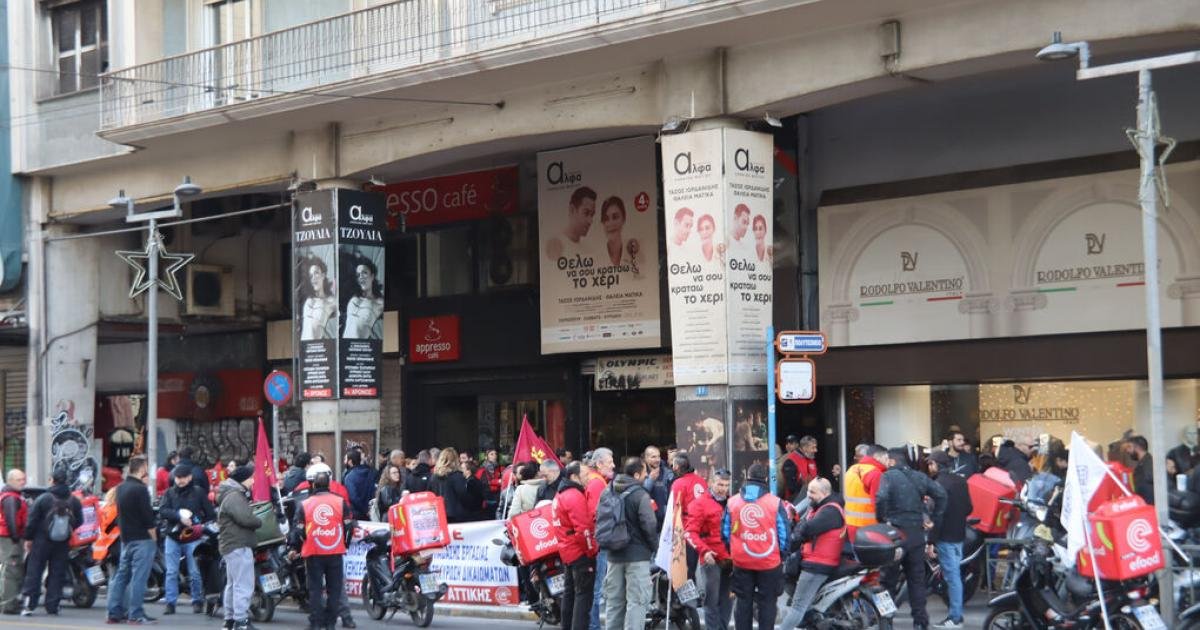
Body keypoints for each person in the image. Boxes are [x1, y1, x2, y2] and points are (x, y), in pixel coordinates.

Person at [876, 448, 947, 630]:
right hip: (916, 534)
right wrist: (934, 517)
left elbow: (881, 498)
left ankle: (885, 621)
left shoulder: (888, 476)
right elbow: (941, 494)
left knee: (886, 581)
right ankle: (920, 622)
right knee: (916, 580)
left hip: (895, 534)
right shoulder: (920, 476)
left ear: (891, 461)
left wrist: (882, 519)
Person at [722, 464, 790, 630]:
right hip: (769, 562)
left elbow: (725, 532)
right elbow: (784, 533)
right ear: (766, 479)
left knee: (743, 601)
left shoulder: (732, 502)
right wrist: (781, 555)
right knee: (768, 603)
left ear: (747, 477)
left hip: (742, 560)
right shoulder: (775, 503)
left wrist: (733, 550)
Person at [290, 463, 354, 630]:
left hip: (313, 552)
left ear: (313, 485)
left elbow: (298, 530)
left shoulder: (305, 504)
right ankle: (330, 623)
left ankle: (316, 623)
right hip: (335, 551)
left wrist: (299, 544)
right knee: (335, 590)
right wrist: (345, 544)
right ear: (329, 483)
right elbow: (349, 526)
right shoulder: (340, 502)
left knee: (315, 590)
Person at [779, 478, 845, 628]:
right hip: (816, 560)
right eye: (808, 490)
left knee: (797, 607)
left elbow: (806, 529)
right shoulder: (820, 507)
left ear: (825, 493)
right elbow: (803, 525)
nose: (808, 495)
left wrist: (795, 536)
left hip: (817, 565)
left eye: (813, 492)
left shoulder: (830, 511)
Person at [601, 457, 657, 630]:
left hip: (613, 556)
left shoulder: (608, 491)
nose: (646, 476)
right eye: (645, 472)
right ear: (636, 475)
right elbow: (649, 524)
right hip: (637, 557)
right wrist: (654, 547)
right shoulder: (640, 495)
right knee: (637, 601)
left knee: (614, 602)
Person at [20, 465, 81, 616]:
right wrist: (67, 529)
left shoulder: (43, 498)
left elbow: (32, 521)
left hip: (41, 540)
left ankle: (30, 604)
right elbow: (80, 520)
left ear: (52, 480)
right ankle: (53, 605)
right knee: (57, 573)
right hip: (63, 542)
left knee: (35, 571)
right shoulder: (73, 500)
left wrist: (28, 538)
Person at [106, 456, 159, 625]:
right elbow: (147, 518)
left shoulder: (120, 488)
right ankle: (135, 614)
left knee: (121, 576)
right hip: (142, 539)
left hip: (126, 538)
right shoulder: (140, 490)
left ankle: (114, 612)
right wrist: (154, 538)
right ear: (142, 468)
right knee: (139, 577)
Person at [159, 465, 217, 615]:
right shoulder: (169, 493)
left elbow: (210, 514)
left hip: (193, 538)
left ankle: (197, 600)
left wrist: (199, 524)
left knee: (195, 572)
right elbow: (163, 511)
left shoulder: (198, 492)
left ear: (190, 477)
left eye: (184, 477)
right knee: (171, 572)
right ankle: (170, 603)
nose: (181, 481)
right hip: (173, 537)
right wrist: (179, 517)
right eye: (178, 478)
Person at [926, 450, 972, 629]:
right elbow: (968, 508)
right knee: (955, 575)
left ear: (936, 464)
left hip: (945, 536)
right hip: (959, 534)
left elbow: (937, 515)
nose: (929, 467)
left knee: (952, 578)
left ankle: (955, 618)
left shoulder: (938, 485)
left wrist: (931, 541)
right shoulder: (961, 481)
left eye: (930, 464)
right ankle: (955, 616)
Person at [685, 468, 732, 630]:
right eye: (720, 484)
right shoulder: (699, 503)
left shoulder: (732, 502)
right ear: (711, 482)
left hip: (731, 558)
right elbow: (690, 532)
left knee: (727, 599)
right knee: (712, 600)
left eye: (726, 485)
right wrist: (704, 551)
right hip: (711, 558)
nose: (723, 489)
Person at [217, 465, 261, 630]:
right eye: (251, 478)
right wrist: (259, 521)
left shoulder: (229, 494)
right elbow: (246, 519)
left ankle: (230, 620)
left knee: (233, 584)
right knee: (243, 584)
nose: (253, 481)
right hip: (238, 544)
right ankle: (241, 621)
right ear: (243, 479)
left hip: (231, 545)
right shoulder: (235, 496)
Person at [553, 462, 596, 630]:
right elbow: (583, 529)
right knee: (583, 597)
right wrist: (591, 550)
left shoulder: (560, 494)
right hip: (579, 552)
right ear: (574, 476)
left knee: (570, 594)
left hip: (567, 552)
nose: (588, 478)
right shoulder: (574, 495)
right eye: (585, 475)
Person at [584, 448, 614, 630]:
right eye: (610, 462)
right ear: (599, 464)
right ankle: (594, 626)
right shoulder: (596, 483)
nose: (613, 465)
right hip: (598, 543)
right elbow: (598, 515)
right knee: (596, 590)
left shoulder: (595, 480)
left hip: (595, 542)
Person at [843, 444, 888, 538]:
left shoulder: (851, 470)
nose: (887, 462)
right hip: (869, 526)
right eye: (886, 458)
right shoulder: (875, 473)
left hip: (851, 523)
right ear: (877, 457)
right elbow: (878, 502)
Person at [545, 187, 598, 261]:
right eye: (586, 213)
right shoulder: (555, 244)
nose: (590, 221)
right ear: (572, 210)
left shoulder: (588, 250)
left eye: (592, 215)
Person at [0, 469, 26, 615]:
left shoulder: (13, 496)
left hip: (10, 537)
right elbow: (11, 520)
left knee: (10, 569)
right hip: (10, 538)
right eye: (19, 480)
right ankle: (9, 605)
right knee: (12, 570)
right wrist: (16, 537)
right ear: (10, 481)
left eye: (23, 479)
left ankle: (8, 602)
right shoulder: (11, 498)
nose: (22, 482)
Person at [342, 258, 384, 339]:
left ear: (372, 276)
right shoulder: (353, 297)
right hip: (345, 344)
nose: (361, 277)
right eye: (358, 274)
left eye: (364, 273)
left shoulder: (379, 302)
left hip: (360, 345)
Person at [300, 256, 337, 341]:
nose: (313, 278)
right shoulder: (308, 299)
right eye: (311, 275)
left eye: (316, 273)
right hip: (304, 346)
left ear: (323, 275)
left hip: (317, 346)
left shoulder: (331, 301)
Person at [429, 448, 471, 523]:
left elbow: (431, 494)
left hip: (439, 513)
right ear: (455, 460)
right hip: (456, 515)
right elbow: (463, 495)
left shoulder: (433, 477)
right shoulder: (457, 476)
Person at [668, 452, 708, 523]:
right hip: (704, 521)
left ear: (676, 466)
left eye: (673, 465)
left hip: (688, 523)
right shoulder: (702, 481)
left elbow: (676, 509)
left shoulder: (678, 484)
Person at [641, 446, 674, 522]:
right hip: (647, 518)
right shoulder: (641, 472)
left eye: (658, 456)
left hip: (663, 518)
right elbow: (641, 493)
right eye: (653, 457)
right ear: (646, 458)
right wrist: (650, 480)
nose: (657, 460)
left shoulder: (666, 473)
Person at [342, 449, 374, 521]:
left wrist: (364, 510)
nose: (344, 462)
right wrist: (367, 510)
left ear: (350, 462)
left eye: (345, 459)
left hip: (355, 513)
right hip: (369, 512)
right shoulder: (369, 472)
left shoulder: (349, 477)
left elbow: (353, 497)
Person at [1130, 436, 1155, 505]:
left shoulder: (1149, 462)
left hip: (1150, 504)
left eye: (1130, 447)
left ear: (1137, 448)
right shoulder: (1143, 463)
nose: (1128, 451)